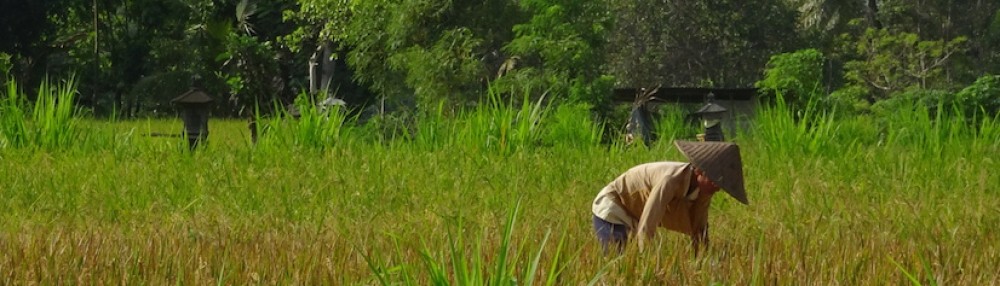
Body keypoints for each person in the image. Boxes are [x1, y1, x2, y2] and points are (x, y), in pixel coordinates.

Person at [591, 140, 748, 254]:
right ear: (700, 172)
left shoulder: (704, 191)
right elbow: (647, 225)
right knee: (618, 263)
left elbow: (699, 229)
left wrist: (704, 259)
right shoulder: (670, 181)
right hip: (613, 208)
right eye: (715, 181)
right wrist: (648, 263)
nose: (718, 188)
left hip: (634, 215)